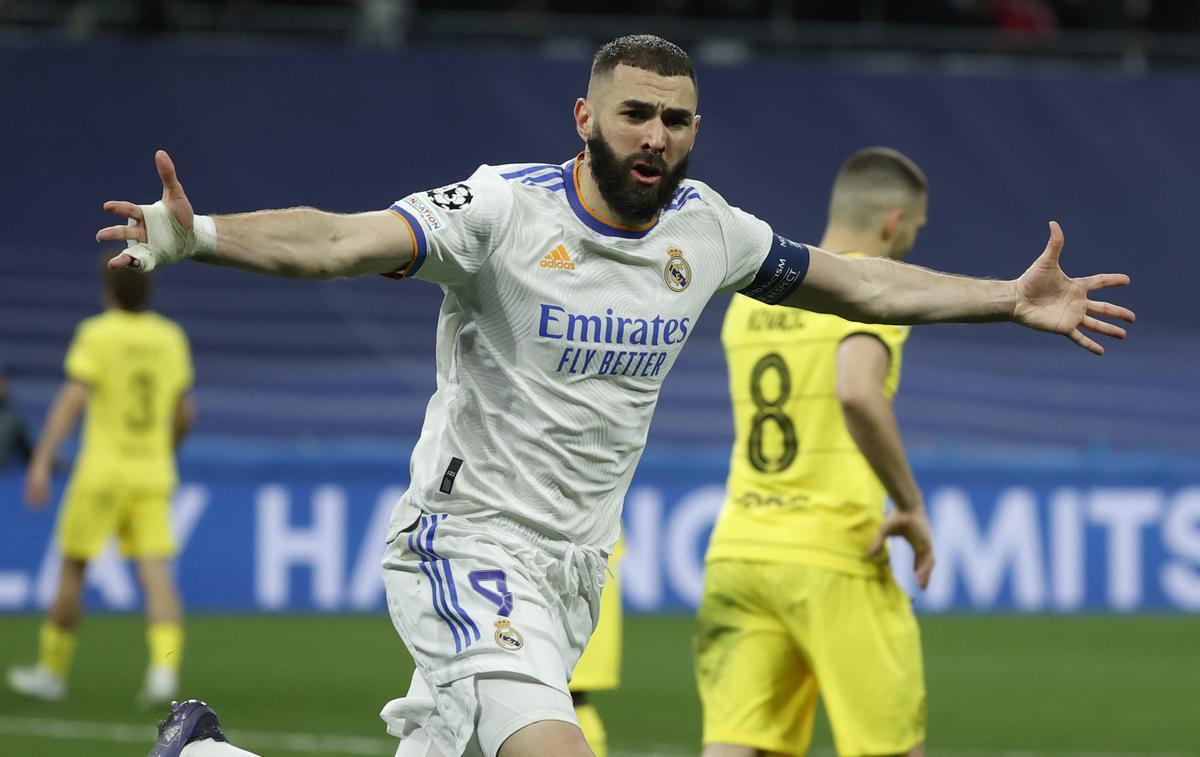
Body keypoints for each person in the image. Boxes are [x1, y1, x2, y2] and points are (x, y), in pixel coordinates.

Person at [97, 34, 1131, 757]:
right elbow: (340, 238)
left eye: (677, 120)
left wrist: (1007, 295)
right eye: (635, 113)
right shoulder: (501, 209)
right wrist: (202, 234)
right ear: (587, 116)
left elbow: (857, 280)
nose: (656, 136)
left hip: (576, 567)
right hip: (468, 543)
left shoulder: (708, 229)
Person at [697, 147, 935, 757]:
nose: (911, 241)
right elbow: (857, 391)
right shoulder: (875, 291)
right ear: (891, 222)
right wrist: (910, 503)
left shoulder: (752, 300)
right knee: (889, 747)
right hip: (836, 550)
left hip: (741, 551)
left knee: (737, 745)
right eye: (914, 228)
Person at [7, 260, 195, 707]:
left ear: (109, 289)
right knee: (156, 573)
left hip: (101, 470)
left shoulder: (97, 333)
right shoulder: (169, 338)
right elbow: (185, 414)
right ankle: (163, 672)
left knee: (73, 566)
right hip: (151, 471)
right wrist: (162, 451)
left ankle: (52, 672)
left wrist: (41, 461)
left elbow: (72, 399)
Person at [0, 363, 34, 472]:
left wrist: (46, 461)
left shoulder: (12, 420)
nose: (3, 386)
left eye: (3, 381)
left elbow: (30, 454)